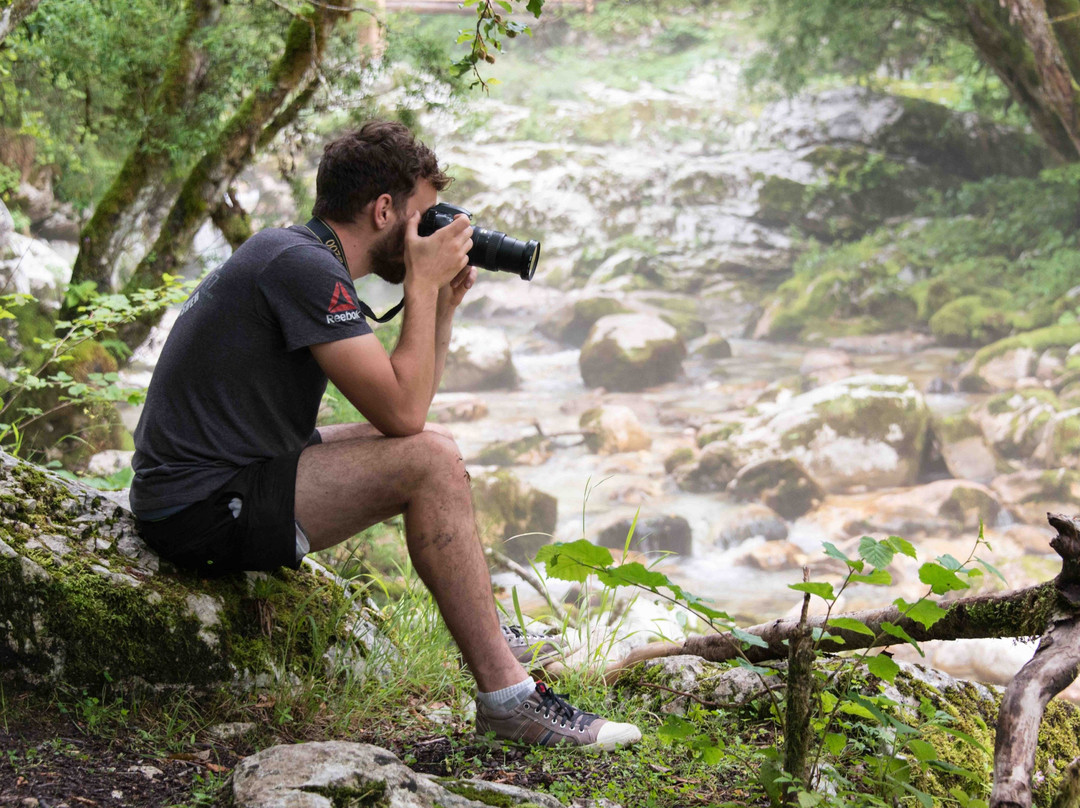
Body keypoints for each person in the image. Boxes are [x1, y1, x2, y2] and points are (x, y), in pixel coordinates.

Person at [128, 121, 641, 750]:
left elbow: (410, 411)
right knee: (429, 460)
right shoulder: (303, 267)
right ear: (383, 211)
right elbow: (401, 414)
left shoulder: (295, 253)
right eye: (426, 216)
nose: (434, 232)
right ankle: (510, 701)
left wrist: (440, 307)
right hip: (198, 509)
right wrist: (421, 285)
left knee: (437, 448)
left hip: (220, 478)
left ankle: (489, 634)